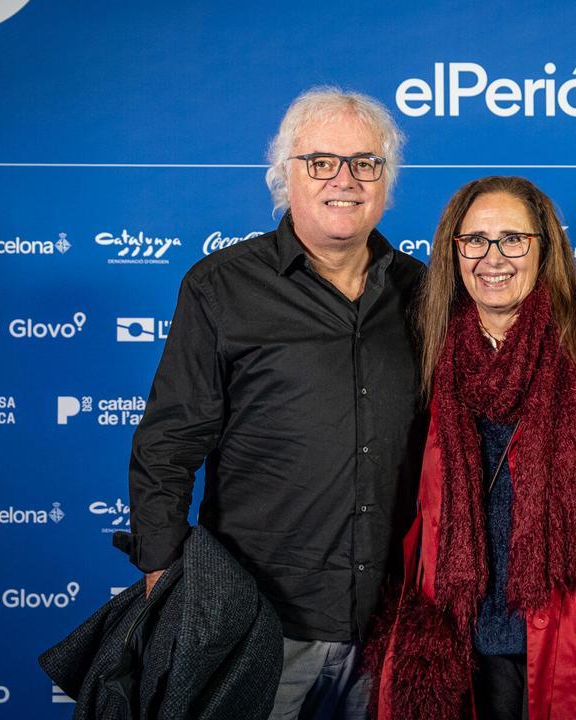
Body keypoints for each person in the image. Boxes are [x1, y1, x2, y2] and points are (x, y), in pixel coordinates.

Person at [127, 88, 426, 720]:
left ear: (386, 182)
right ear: (284, 175)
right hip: (259, 623)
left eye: (365, 163)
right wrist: (163, 574)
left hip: (392, 625)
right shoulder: (221, 286)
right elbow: (169, 441)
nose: (344, 180)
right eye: (321, 162)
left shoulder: (426, 294)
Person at [376, 176, 576, 719]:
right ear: (454, 252)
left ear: (545, 250)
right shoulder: (435, 353)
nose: (492, 257)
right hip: (460, 640)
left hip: (569, 636)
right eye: (474, 240)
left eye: (512, 239)